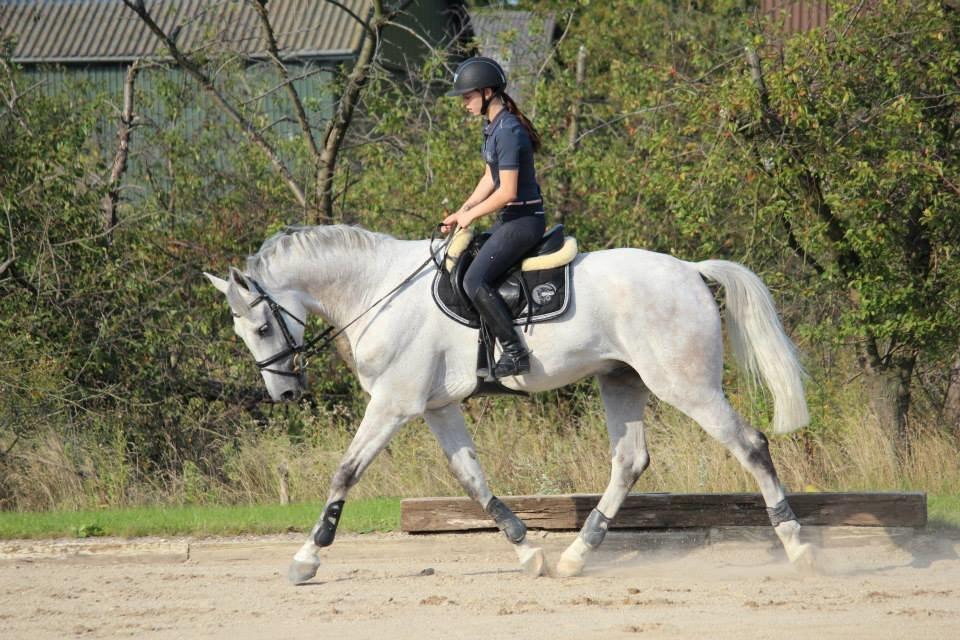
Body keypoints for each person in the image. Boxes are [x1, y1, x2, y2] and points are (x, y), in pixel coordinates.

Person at [441, 56, 546, 379]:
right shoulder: (493, 127)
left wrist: (470, 215)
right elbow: (490, 178)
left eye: (468, 97)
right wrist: (461, 211)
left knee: (474, 280)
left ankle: (515, 352)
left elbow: (508, 192)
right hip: (509, 220)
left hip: (524, 221)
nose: (464, 104)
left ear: (487, 92)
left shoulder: (509, 131)